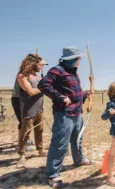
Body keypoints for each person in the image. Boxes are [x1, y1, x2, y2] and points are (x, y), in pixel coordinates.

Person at [38, 46, 93, 188]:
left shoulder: (73, 72)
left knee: (78, 139)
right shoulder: (57, 70)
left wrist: (85, 94)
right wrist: (60, 97)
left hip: (77, 112)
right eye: (78, 57)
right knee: (60, 144)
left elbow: (73, 92)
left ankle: (79, 159)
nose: (80, 59)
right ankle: (53, 174)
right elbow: (43, 84)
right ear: (71, 59)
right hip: (64, 113)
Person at [16, 53, 47, 168]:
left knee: (39, 130)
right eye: (40, 64)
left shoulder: (38, 77)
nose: (41, 67)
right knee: (25, 133)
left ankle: (40, 149)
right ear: (32, 63)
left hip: (40, 108)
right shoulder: (22, 76)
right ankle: (22, 156)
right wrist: (44, 88)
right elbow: (31, 91)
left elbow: (42, 90)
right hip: (28, 109)